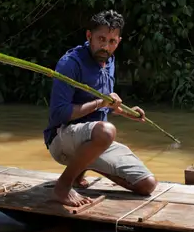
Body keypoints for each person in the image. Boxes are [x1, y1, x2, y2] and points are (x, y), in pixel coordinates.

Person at [43, 10, 158, 207]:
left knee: (147, 185)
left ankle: (82, 167)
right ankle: (62, 187)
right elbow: (58, 114)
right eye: (101, 39)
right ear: (89, 36)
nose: (105, 46)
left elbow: (105, 107)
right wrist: (100, 103)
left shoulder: (109, 60)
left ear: (118, 42)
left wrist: (126, 112)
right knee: (106, 131)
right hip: (61, 138)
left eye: (112, 41)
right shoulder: (70, 63)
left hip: (94, 139)